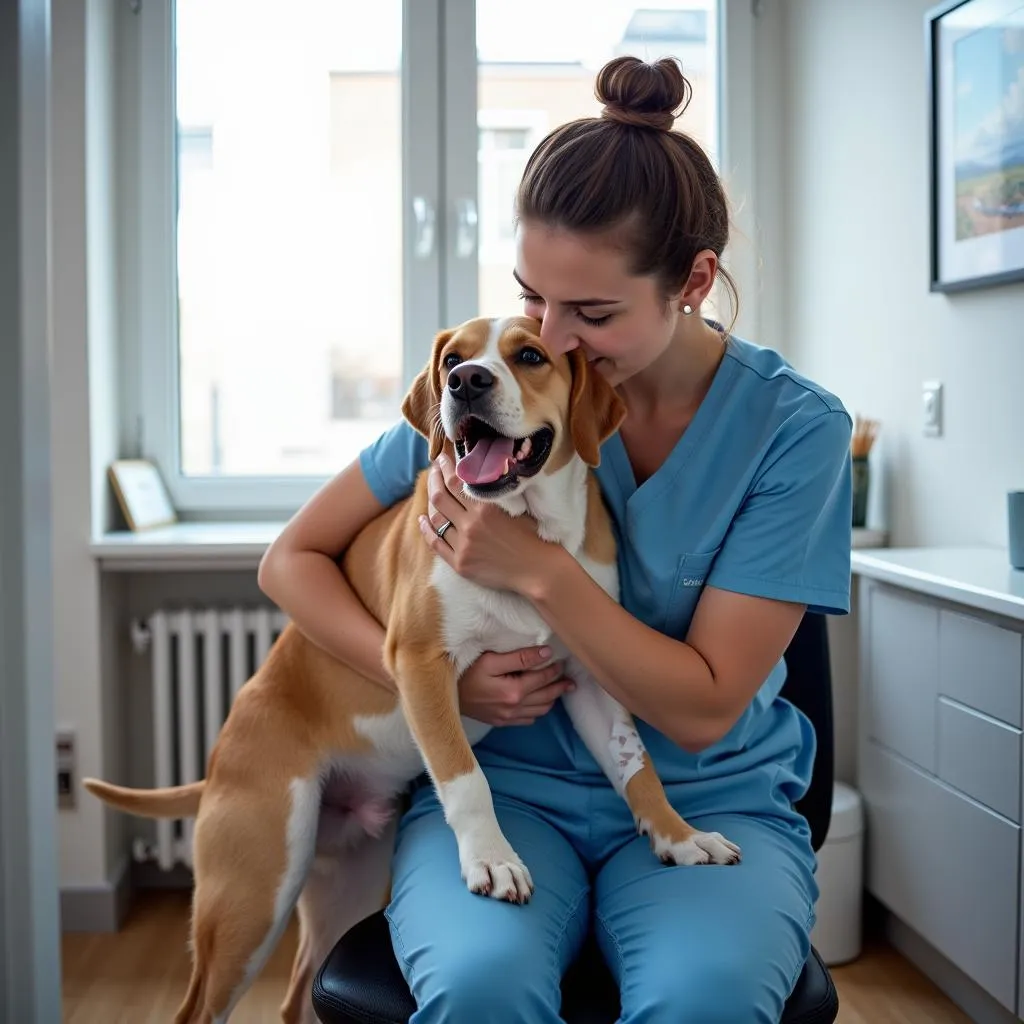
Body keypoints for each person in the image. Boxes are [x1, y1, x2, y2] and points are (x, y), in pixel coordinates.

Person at [259, 55, 852, 1024]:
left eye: (593, 312)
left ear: (694, 281)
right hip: (508, 787)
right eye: (534, 294)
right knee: (480, 988)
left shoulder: (793, 430)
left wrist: (535, 569)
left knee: (703, 999)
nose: (553, 336)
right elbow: (290, 558)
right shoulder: (494, 394)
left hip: (704, 791)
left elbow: (703, 710)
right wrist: (432, 677)